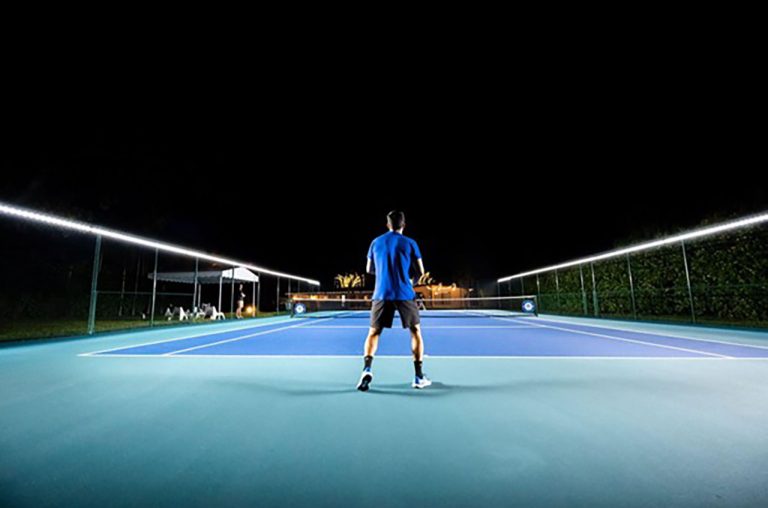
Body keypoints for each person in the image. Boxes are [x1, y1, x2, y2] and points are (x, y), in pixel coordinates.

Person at [357, 210, 432, 391]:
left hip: (382, 293)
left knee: (373, 333)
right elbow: (420, 271)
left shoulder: (376, 242)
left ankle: (366, 369)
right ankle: (418, 376)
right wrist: (410, 282)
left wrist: (384, 274)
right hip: (405, 293)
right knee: (416, 332)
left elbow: (369, 269)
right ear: (404, 225)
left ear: (387, 225)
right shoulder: (410, 243)